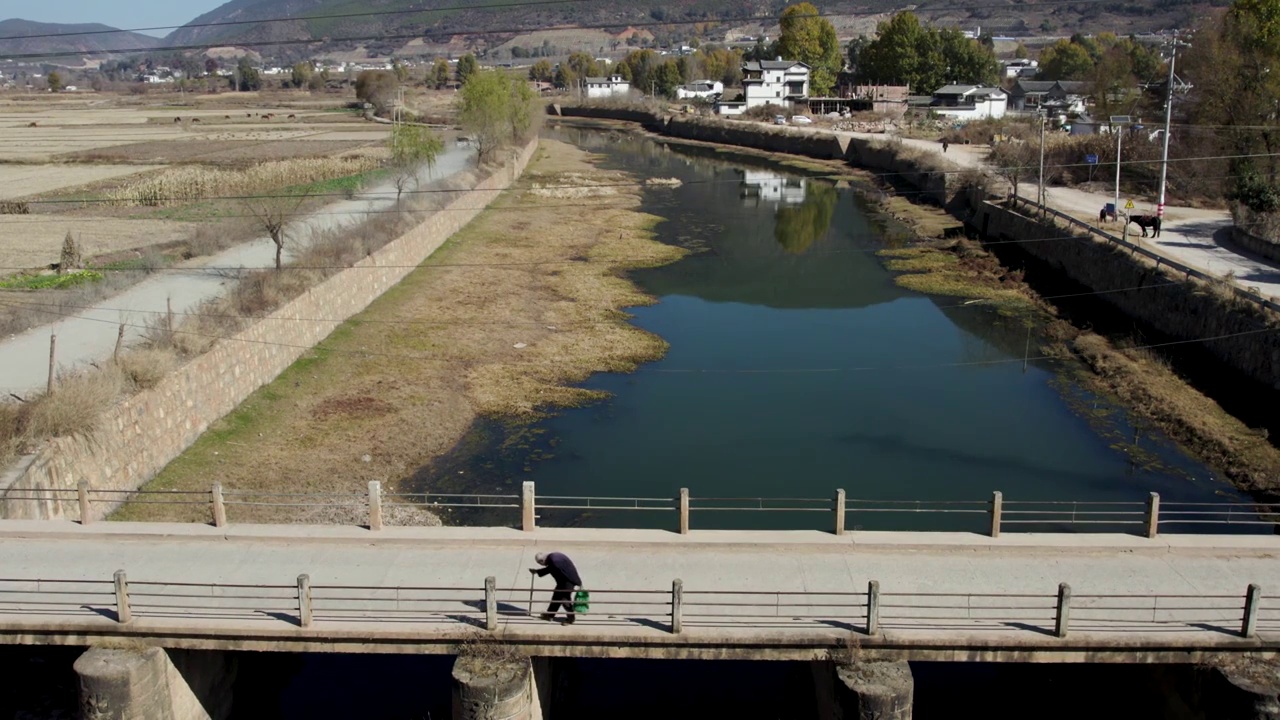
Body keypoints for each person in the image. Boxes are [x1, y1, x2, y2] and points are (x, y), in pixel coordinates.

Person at [530, 551, 582, 625]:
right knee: (556, 596)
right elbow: (551, 568)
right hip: (564, 580)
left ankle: (571, 619)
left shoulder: (554, 561)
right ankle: (550, 615)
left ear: (542, 561)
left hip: (568, 581)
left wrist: (538, 572)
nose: (543, 565)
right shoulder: (553, 557)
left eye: (540, 563)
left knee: (564, 599)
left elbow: (550, 569)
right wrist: (537, 572)